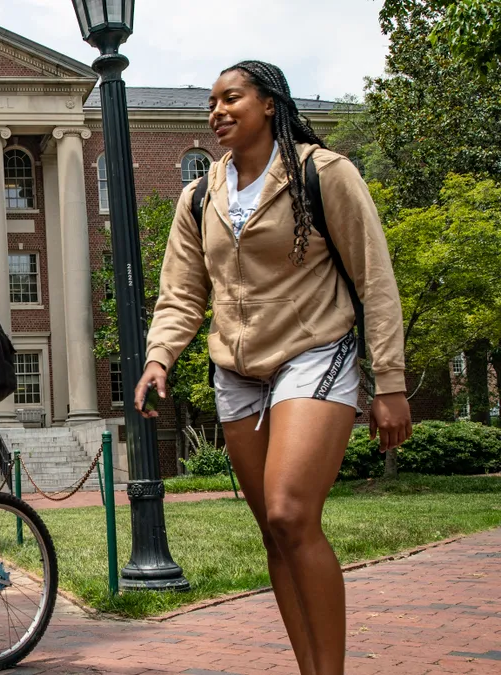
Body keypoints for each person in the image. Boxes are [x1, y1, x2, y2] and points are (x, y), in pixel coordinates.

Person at [135, 61, 412, 675]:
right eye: (211, 102)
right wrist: (160, 357)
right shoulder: (199, 194)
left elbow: (375, 277)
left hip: (315, 349)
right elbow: (181, 292)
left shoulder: (324, 172)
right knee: (274, 534)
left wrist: (388, 382)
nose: (217, 111)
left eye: (231, 97)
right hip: (236, 366)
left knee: (291, 514)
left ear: (269, 104)